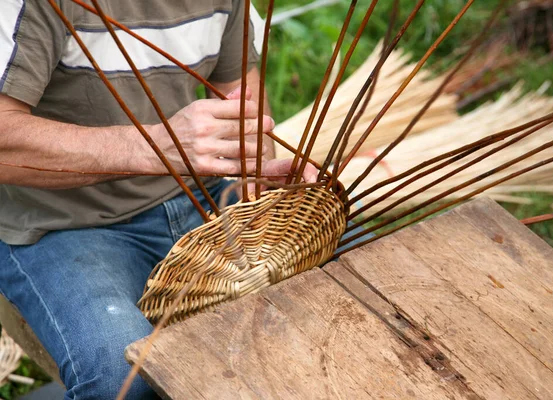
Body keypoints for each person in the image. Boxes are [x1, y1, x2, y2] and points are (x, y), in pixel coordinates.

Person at [0, 1, 316, 398]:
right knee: (126, 377)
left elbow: (243, 97)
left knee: (329, 291)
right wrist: (154, 148)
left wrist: (255, 175)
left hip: (201, 194)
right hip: (65, 222)